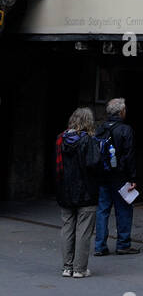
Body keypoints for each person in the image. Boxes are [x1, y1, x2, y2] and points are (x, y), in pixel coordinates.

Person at [55, 107, 103, 278]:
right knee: (84, 230)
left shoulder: (61, 139)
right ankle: (79, 269)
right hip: (86, 191)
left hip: (65, 190)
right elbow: (94, 165)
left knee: (67, 227)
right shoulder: (89, 141)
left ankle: (67, 267)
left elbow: (58, 166)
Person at [94, 97, 140, 255]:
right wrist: (132, 177)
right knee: (124, 209)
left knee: (102, 210)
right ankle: (123, 243)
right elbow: (129, 155)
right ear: (121, 112)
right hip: (120, 176)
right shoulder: (126, 130)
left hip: (102, 175)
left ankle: (99, 246)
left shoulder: (100, 128)